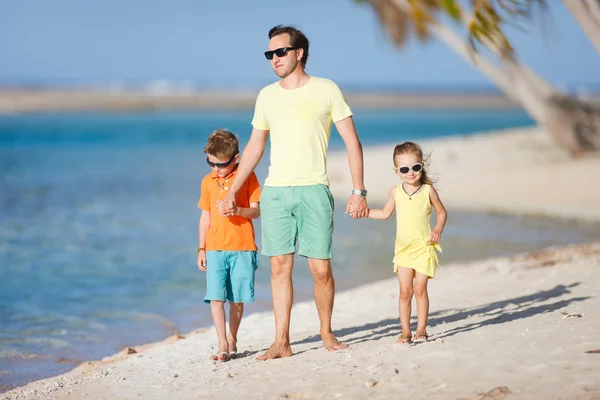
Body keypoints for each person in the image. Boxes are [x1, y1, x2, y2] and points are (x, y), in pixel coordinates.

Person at [217, 25, 368, 360]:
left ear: (299, 53)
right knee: (278, 267)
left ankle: (326, 332)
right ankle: (281, 341)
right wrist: (234, 188)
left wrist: (359, 191)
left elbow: (353, 143)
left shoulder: (327, 89)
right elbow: (256, 146)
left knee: (320, 269)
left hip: (314, 189)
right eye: (269, 54)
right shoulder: (267, 96)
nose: (274, 59)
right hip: (276, 192)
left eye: (280, 52)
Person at [355, 141, 447, 344]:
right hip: (403, 250)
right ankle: (405, 330)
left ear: (421, 165)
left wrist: (437, 229)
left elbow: (441, 212)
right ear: (396, 171)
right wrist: (365, 212)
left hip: (424, 248)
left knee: (420, 289)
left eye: (416, 167)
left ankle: (421, 328)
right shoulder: (395, 192)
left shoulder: (428, 191)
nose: (411, 173)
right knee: (405, 291)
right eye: (404, 169)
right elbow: (385, 213)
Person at [197, 128, 261, 361]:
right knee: (215, 296)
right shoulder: (207, 181)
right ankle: (222, 342)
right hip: (214, 248)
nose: (216, 169)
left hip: (243, 247)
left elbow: (256, 211)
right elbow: (205, 217)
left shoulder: (247, 177)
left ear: (236, 159)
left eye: (221, 165)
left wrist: (237, 210)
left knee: (237, 298)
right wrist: (201, 248)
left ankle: (232, 338)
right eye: (210, 163)